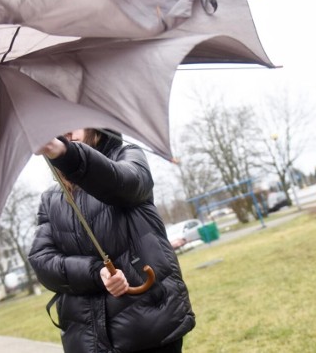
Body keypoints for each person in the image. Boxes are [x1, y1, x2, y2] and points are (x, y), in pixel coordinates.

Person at [28, 128, 195, 353]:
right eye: (57, 125)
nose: (65, 131)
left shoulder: (129, 157)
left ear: (96, 128)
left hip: (147, 328)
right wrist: (96, 273)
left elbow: (124, 183)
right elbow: (42, 262)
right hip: (88, 341)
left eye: (73, 121)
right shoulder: (51, 199)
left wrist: (66, 154)